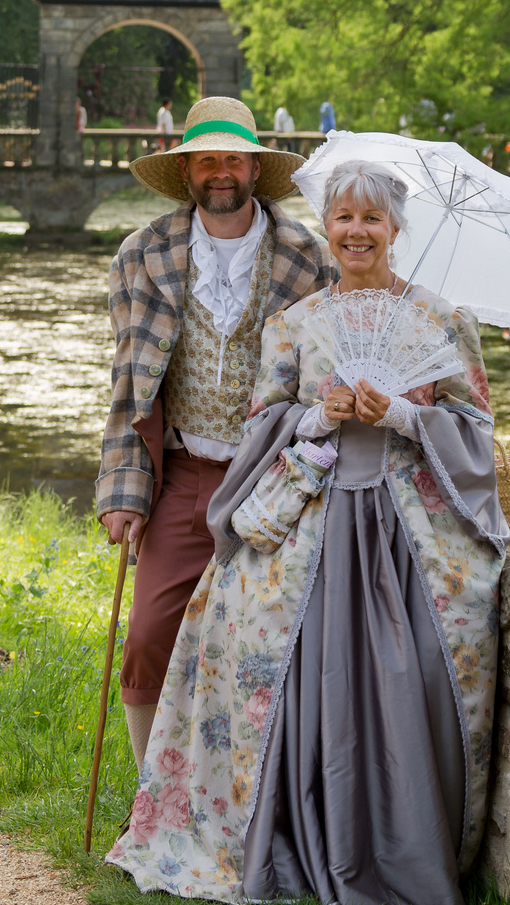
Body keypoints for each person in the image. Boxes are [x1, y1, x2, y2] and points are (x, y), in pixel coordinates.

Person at [105, 160, 508, 905]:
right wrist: (316, 419)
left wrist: (404, 417)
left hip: (405, 530)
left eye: (372, 220)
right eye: (344, 219)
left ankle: (401, 850)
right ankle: (287, 839)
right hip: (314, 519)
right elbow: (263, 424)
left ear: (396, 229)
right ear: (330, 228)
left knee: (421, 665)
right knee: (274, 659)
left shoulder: (441, 320)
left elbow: (478, 434)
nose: (357, 232)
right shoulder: (292, 325)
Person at [97, 96, 336, 776]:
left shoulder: (305, 257)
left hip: (269, 482)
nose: (221, 171)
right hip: (179, 476)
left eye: (234, 158)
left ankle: (244, 798)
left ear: (255, 169)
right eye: (207, 160)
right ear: (189, 172)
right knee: (147, 638)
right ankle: (153, 800)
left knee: (261, 644)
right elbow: (129, 385)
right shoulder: (142, 255)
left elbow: (320, 378)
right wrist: (123, 491)